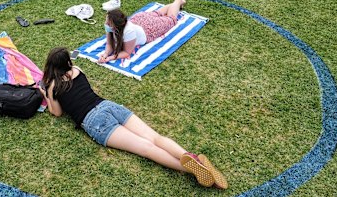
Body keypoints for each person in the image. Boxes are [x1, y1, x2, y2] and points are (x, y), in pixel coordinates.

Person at [39, 47, 229, 190]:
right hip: (108, 106)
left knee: (146, 148)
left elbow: (57, 112)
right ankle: (192, 158)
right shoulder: (77, 70)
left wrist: (45, 92)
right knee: (155, 137)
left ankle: (191, 169)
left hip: (94, 121)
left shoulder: (52, 86)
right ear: (68, 63)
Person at [99, 0, 185, 63]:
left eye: (108, 23)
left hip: (150, 29)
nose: (105, 24)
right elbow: (109, 44)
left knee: (171, 19)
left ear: (115, 26)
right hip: (138, 20)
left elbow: (126, 52)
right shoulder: (111, 26)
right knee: (157, 13)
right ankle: (178, 4)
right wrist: (105, 54)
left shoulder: (128, 32)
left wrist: (110, 58)